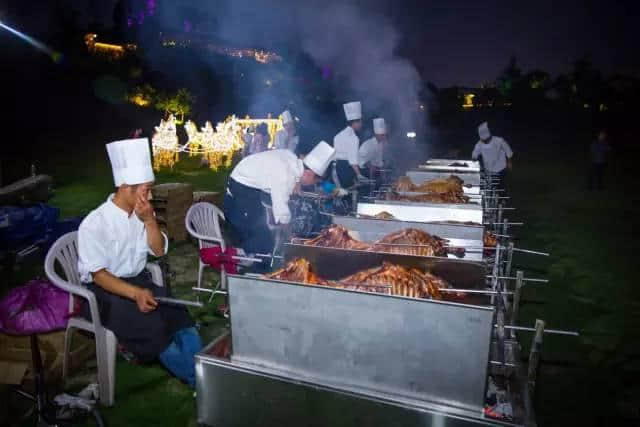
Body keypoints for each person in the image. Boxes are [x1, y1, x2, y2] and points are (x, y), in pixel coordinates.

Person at [77, 138, 201, 387]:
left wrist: (150, 221)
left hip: (137, 282)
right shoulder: (95, 223)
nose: (151, 196)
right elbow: (99, 275)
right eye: (146, 190)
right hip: (103, 293)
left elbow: (157, 251)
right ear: (125, 188)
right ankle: (198, 381)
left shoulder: (140, 214)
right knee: (152, 326)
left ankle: (202, 366)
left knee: (178, 312)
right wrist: (135, 294)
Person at [223, 141, 335, 259]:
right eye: (316, 180)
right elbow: (282, 212)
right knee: (260, 236)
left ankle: (252, 257)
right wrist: (291, 236)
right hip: (241, 186)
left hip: (251, 185)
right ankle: (248, 264)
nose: (314, 184)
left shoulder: (291, 159)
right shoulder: (285, 176)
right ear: (308, 173)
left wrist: (297, 182)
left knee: (263, 230)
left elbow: (281, 178)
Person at [472, 122, 513, 191]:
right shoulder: (479, 144)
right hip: (488, 169)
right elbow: (474, 155)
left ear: (489, 136)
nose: (485, 141)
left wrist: (509, 162)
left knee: (501, 187)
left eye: (486, 140)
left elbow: (508, 150)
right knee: (490, 187)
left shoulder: (499, 140)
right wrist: (474, 161)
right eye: (483, 140)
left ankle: (502, 200)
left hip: (501, 167)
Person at [333, 101, 365, 188]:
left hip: (336, 167)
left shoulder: (339, 135)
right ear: (355, 123)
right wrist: (359, 175)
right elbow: (352, 160)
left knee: (340, 193)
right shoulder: (353, 138)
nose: (361, 124)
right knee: (348, 194)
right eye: (360, 122)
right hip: (345, 168)